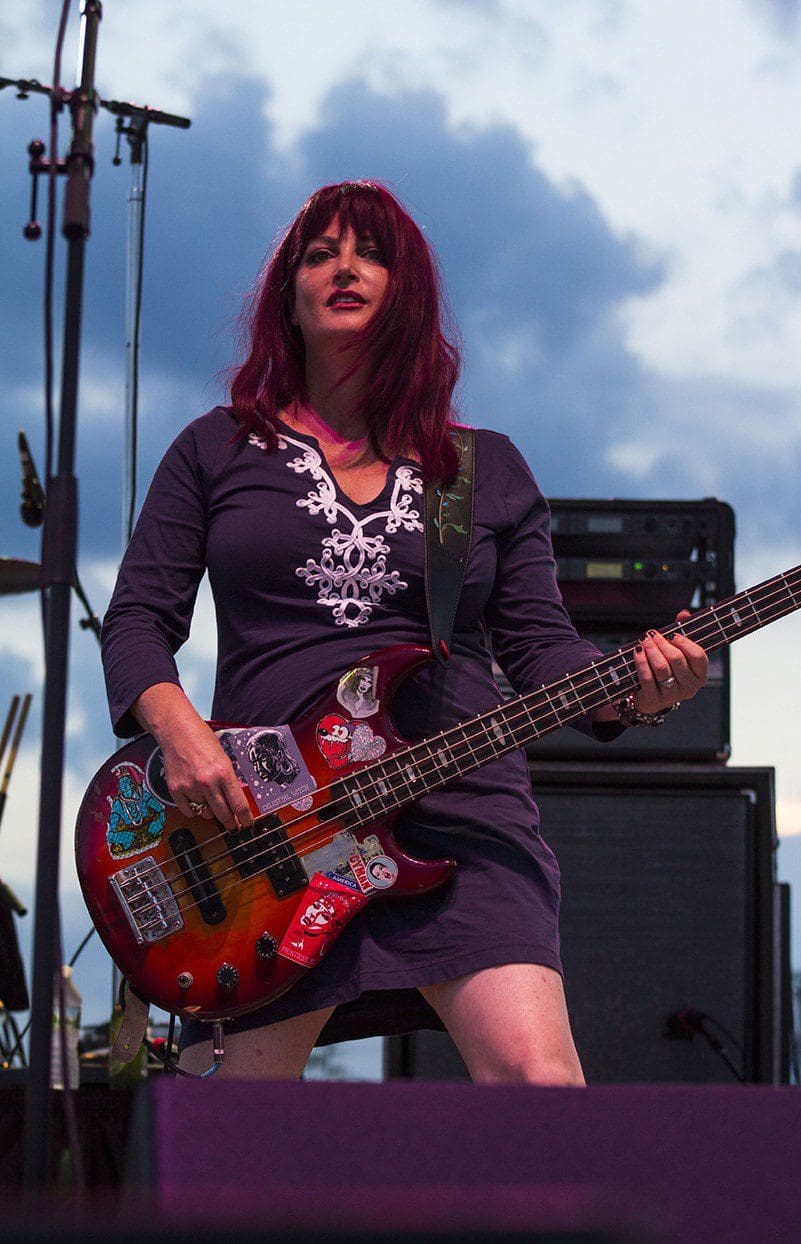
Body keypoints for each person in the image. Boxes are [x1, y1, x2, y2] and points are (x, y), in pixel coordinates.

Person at [101, 180, 708, 1083]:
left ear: (408, 292)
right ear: (289, 299)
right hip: (270, 836)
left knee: (542, 1090)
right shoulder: (215, 449)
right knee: (228, 1133)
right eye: (319, 255)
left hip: (458, 815)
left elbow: (540, 648)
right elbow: (138, 620)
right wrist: (182, 735)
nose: (344, 269)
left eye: (371, 254)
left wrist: (635, 688)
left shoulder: (481, 469)